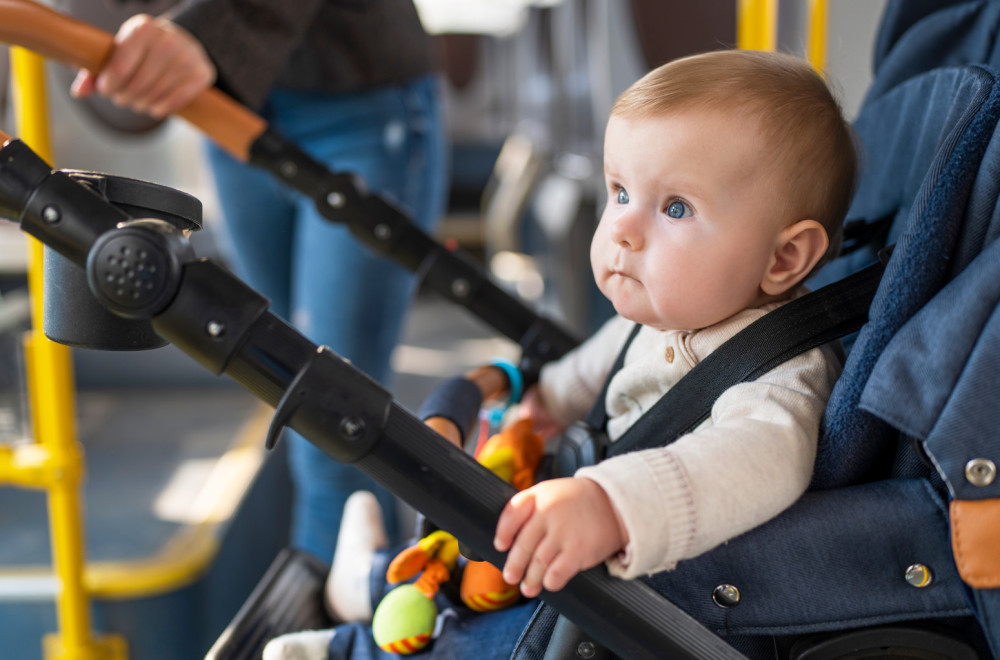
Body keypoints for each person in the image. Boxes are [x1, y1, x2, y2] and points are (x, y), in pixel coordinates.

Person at [259, 46, 858, 660]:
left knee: (491, 638)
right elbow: (582, 375)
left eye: (675, 207)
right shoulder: (655, 318)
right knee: (486, 536)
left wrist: (612, 503)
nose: (623, 228)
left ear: (783, 258)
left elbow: (746, 465)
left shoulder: (781, 374)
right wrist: (539, 406)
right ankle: (374, 577)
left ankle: (346, 649)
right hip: (576, 533)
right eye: (620, 191)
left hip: (661, 593)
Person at [70, 2, 449, 559]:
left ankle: (341, 637)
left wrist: (207, 31)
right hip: (229, 108)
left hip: (357, 99)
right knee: (287, 392)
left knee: (332, 424)